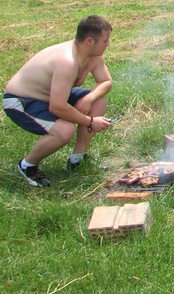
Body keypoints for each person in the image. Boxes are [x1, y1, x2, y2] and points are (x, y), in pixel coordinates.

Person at [3, 15, 114, 187]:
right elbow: (58, 107)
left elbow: (106, 81)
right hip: (22, 101)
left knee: (98, 101)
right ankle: (27, 166)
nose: (108, 44)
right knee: (65, 130)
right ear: (89, 41)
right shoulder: (67, 61)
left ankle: (77, 160)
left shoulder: (93, 55)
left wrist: (89, 98)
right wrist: (91, 121)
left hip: (51, 96)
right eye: (105, 41)